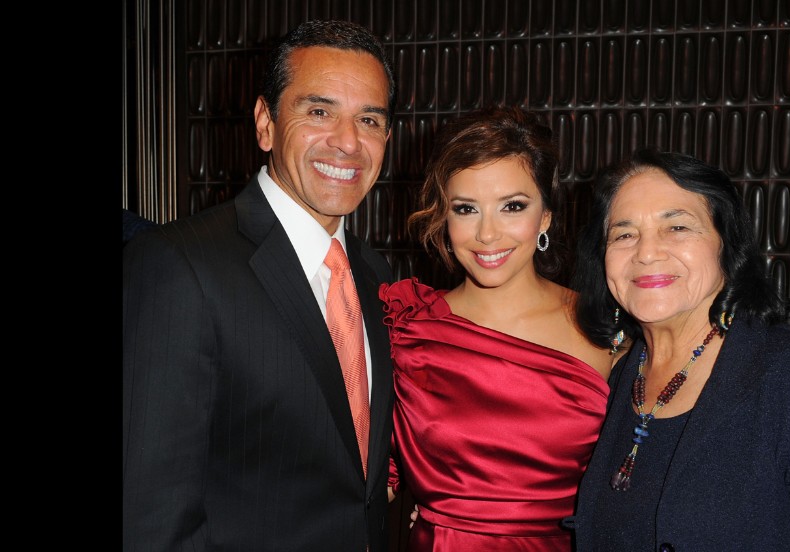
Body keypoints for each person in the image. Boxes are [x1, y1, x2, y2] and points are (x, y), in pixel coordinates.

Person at [123, 20, 397, 551]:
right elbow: (149, 518)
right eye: (319, 111)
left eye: (369, 119)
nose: (347, 142)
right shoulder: (178, 265)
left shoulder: (374, 273)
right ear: (265, 123)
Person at [566, 149, 790, 551]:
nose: (646, 253)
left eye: (678, 227)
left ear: (727, 245)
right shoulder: (616, 377)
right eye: (624, 234)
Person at [379, 105, 616, 550]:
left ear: (545, 215)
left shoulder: (606, 327)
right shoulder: (407, 330)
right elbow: (373, 476)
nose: (487, 234)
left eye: (512, 206)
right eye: (466, 209)